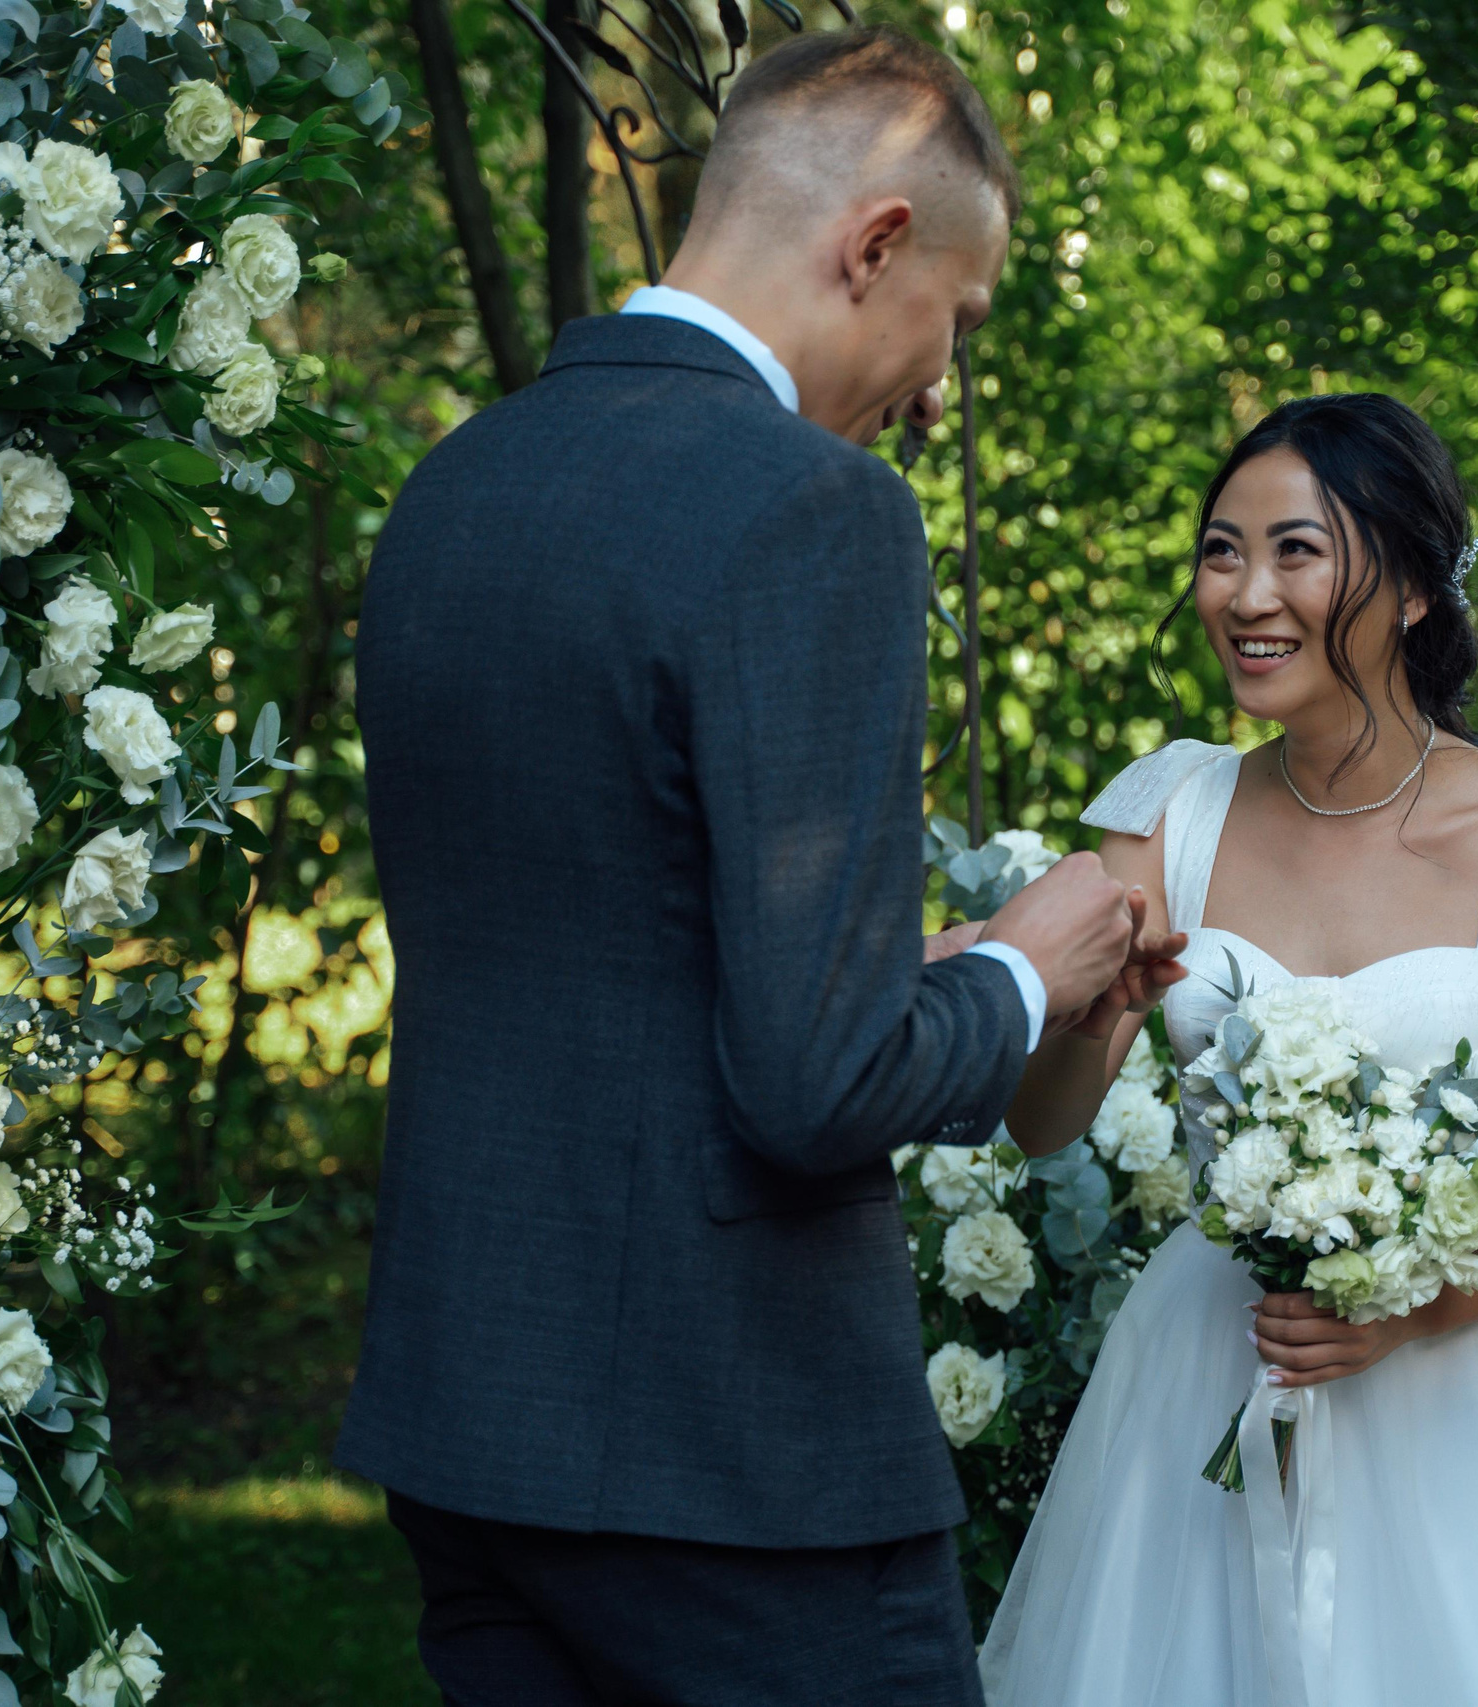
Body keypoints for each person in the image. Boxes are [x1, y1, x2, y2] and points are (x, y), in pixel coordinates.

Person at [338, 29, 1181, 1706]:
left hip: (470, 1420)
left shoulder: (455, 487)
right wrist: (1028, 961)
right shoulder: (816, 509)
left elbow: (610, 949)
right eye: (962, 315)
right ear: (875, 245)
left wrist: (907, 969)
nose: (942, 386)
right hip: (740, 1466)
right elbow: (818, 1083)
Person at [978, 394, 1478, 1706]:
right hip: (1208, 1382)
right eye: (1221, 549)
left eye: (1297, 550)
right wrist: (1091, 1020)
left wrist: (1433, 1294)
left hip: (1477, 1406)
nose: (1246, 593)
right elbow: (1043, 1122)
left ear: (1419, 585)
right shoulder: (1166, 813)